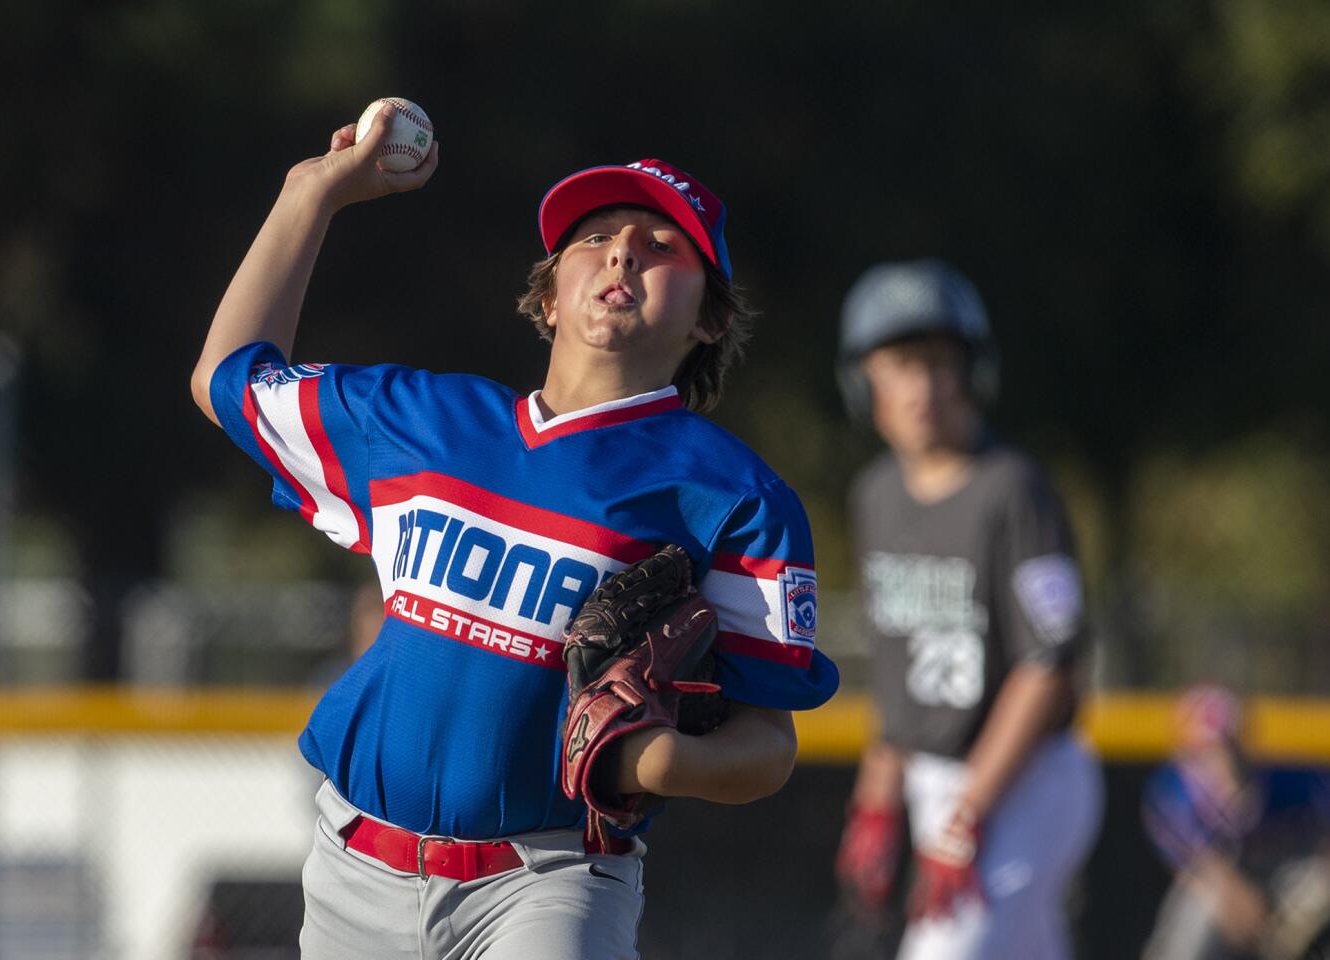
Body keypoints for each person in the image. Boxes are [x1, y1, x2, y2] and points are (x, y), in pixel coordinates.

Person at [189, 103, 839, 959]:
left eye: (662, 245)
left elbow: (767, 748)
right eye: (597, 235)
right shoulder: (421, 422)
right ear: (548, 292)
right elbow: (228, 379)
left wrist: (652, 761)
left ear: (711, 318)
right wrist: (307, 196)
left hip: (551, 881)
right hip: (354, 867)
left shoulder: (733, 495)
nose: (623, 252)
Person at [831, 259, 1102, 959]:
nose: (922, 387)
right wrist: (875, 803)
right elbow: (898, 675)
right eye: (899, 364)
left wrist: (966, 816)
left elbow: (1051, 665)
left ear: (973, 373)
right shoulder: (876, 495)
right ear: (864, 382)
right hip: (933, 775)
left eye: (940, 364)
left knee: (951, 950)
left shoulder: (1013, 489)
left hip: (1026, 777)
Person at [1141, 685, 1330, 960]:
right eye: (1207, 750)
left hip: (1284, 879)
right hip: (1217, 891)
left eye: (1229, 746)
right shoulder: (1172, 791)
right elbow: (1199, 871)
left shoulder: (1286, 781)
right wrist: (1236, 899)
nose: (1222, 759)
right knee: (1196, 915)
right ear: (1184, 750)